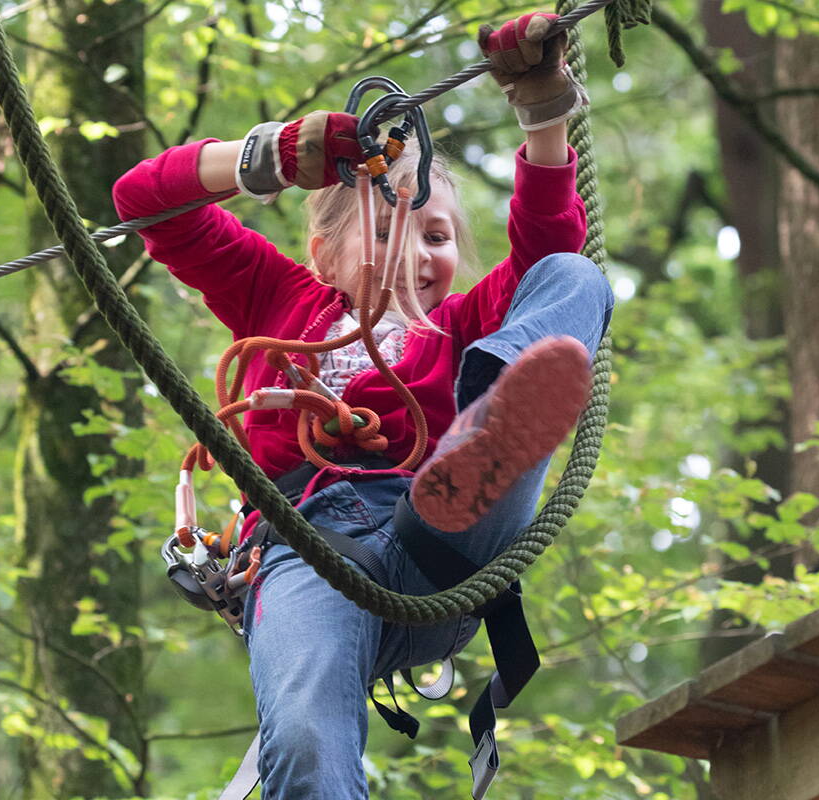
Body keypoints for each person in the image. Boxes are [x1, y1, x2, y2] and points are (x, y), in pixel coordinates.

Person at [114, 12, 614, 798]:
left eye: (440, 236)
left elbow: (550, 248)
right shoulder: (278, 298)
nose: (420, 257)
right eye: (394, 230)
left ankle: (498, 418)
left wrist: (542, 115)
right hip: (305, 549)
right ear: (324, 252)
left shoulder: (459, 324)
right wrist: (270, 156)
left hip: (436, 531)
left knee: (575, 279)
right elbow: (144, 200)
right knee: (307, 740)